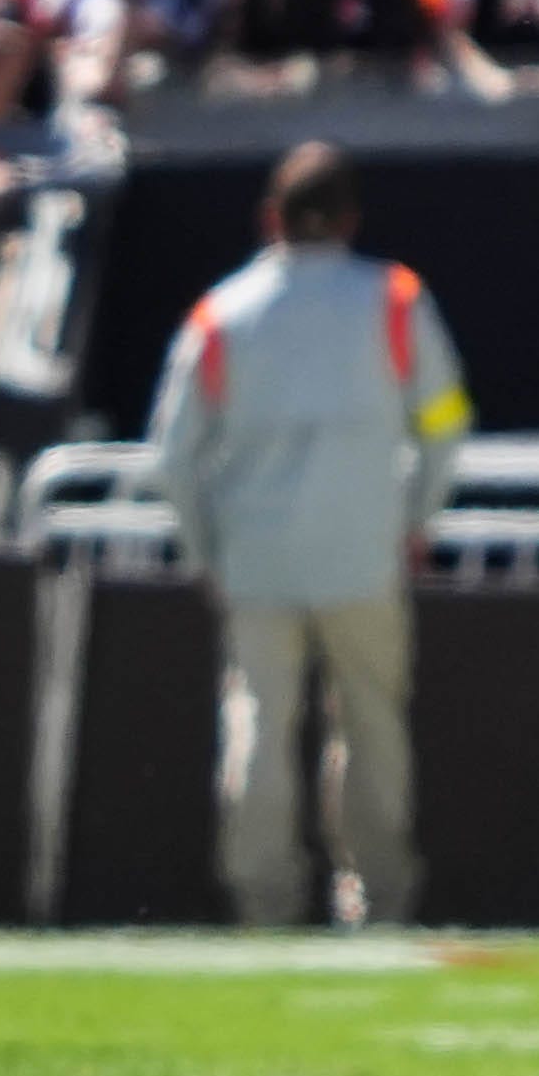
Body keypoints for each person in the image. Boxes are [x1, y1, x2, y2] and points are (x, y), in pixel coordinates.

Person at [146, 143, 468, 929]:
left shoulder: (222, 312)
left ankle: (266, 904)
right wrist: (417, 519)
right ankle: (380, 900)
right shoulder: (393, 298)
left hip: (257, 559)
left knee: (259, 722)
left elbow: (170, 453)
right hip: (366, 550)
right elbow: (446, 423)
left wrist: (205, 553)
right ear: (352, 221)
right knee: (372, 726)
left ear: (269, 219)